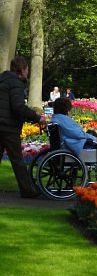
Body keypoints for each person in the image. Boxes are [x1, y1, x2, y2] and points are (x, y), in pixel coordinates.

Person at [0, 56, 47, 198]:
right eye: (27, 70)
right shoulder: (16, 83)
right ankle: (27, 190)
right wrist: (37, 117)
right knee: (17, 160)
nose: (28, 73)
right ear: (21, 70)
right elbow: (18, 107)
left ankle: (28, 189)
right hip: (8, 127)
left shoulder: (3, 80)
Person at [50, 97, 97, 184]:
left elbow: (76, 133)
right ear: (66, 108)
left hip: (70, 146)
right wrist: (94, 139)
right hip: (74, 149)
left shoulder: (57, 119)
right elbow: (78, 134)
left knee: (92, 134)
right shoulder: (63, 120)